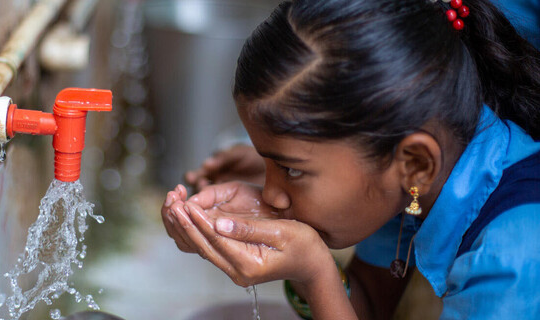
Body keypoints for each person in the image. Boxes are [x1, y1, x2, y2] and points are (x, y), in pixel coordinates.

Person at [161, 0, 540, 319]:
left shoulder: (512, 260)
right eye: (267, 164)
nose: (272, 195)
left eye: (291, 168)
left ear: (416, 163)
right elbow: (368, 306)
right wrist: (303, 264)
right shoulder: (407, 185)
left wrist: (315, 269)